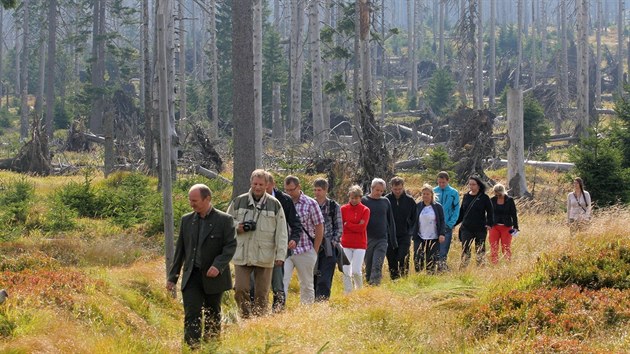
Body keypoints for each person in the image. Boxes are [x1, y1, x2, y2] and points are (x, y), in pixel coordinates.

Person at [167, 184, 237, 348]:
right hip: (192, 276)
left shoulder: (224, 220)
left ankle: (211, 347)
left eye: (195, 200)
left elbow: (230, 246)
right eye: (190, 200)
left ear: (207, 199)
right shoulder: (187, 220)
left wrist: (218, 265)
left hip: (213, 277)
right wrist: (172, 278)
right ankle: (192, 347)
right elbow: (180, 252)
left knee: (213, 313)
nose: (192, 204)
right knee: (192, 313)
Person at [227, 169, 288, 318]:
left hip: (265, 255)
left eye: (261, 184)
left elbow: (281, 233)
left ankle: (259, 321)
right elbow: (225, 223)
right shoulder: (238, 201)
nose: (258, 187)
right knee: (240, 289)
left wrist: (280, 255)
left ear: (267, 185)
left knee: (262, 293)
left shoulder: (275, 204)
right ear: (251, 183)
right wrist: (237, 226)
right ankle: (246, 317)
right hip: (243, 253)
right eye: (255, 183)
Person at [251, 173, 302, 313]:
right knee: (253, 283)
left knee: (277, 283)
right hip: (255, 249)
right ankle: (255, 313)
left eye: (264, 186)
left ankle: (278, 312)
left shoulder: (284, 200)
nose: (261, 189)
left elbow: (296, 223)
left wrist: (294, 239)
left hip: (277, 248)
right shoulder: (252, 198)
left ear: (271, 184)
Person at [283, 175, 324, 305]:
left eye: (292, 190)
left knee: (306, 284)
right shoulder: (282, 202)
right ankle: (279, 310)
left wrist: (315, 250)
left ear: (299, 187)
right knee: (282, 281)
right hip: (286, 251)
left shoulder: (310, 203)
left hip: (305, 249)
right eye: (287, 190)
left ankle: (306, 313)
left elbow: (319, 227)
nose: (289, 193)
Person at [312, 178, 342, 301]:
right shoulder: (310, 204)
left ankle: (322, 302)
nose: (316, 193)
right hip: (312, 246)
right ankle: (311, 302)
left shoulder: (334, 206)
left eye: (319, 190)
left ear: (325, 190)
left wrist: (333, 243)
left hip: (328, 247)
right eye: (315, 190)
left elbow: (339, 228)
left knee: (325, 277)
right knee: (312, 277)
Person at [362, 178, 397, 285]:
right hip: (367, 238)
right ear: (371, 188)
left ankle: (375, 285)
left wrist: (393, 240)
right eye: (377, 190)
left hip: (382, 238)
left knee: (377, 263)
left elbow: (390, 221)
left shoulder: (385, 202)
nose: (379, 193)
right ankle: (369, 285)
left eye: (382, 191)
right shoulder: (364, 201)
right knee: (369, 265)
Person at [455, 175, 494, 269]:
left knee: (480, 249)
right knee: (465, 249)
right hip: (466, 228)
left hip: (480, 228)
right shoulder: (466, 196)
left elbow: (490, 211)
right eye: (470, 184)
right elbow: (462, 212)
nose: (471, 186)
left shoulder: (484, 197)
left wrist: (489, 224)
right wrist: (454, 224)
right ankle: (463, 269)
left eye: (473, 184)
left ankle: (480, 269)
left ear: (479, 185)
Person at [340, 185, 370, 293]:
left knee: (356, 271)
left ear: (360, 198)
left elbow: (362, 227)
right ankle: (348, 293)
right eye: (352, 197)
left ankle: (359, 291)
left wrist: (348, 224)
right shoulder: (343, 209)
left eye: (356, 198)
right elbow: (342, 225)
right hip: (346, 243)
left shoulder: (365, 210)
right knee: (346, 270)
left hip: (360, 244)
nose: (353, 200)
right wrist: (355, 225)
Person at [385, 176, 417, 279]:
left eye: (399, 189)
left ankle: (404, 278)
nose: (397, 191)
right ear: (391, 188)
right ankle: (394, 279)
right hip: (390, 235)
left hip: (404, 234)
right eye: (395, 189)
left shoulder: (410, 200)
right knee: (391, 258)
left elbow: (414, 218)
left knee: (403, 257)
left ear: (403, 187)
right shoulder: (386, 200)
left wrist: (410, 231)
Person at [411, 184, 446, 274]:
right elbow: (413, 220)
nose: (425, 196)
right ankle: (419, 274)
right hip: (420, 236)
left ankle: (430, 275)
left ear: (431, 195)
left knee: (432, 258)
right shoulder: (418, 206)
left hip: (433, 237)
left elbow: (442, 221)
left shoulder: (438, 207)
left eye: (427, 194)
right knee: (418, 257)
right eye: (423, 194)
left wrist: (442, 234)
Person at [433, 171, 460, 272]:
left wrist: (451, 223)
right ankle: (433, 268)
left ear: (448, 181)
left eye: (443, 182)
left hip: (447, 225)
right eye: (439, 182)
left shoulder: (453, 193)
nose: (441, 184)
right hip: (434, 225)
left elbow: (456, 209)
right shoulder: (434, 191)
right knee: (434, 248)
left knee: (444, 248)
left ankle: (442, 268)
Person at [489, 183, 519, 264]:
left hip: (507, 227)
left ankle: (508, 264)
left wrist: (516, 227)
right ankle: (494, 265)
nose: (497, 196)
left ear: (503, 192)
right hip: (494, 226)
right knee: (493, 247)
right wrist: (487, 224)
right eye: (496, 194)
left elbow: (514, 214)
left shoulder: (510, 200)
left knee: (506, 247)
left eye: (499, 194)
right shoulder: (492, 200)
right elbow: (488, 213)